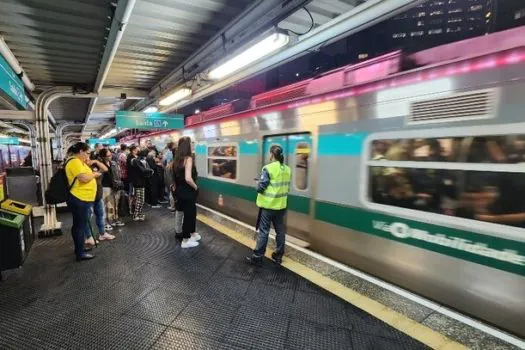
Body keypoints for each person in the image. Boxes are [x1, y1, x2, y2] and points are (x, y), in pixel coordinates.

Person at [246, 145, 291, 266]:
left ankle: (257, 257)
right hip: (281, 206)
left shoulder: (268, 168)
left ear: (271, 154)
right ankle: (278, 255)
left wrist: (258, 183)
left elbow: (261, 188)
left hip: (268, 206)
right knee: (280, 230)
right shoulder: (287, 169)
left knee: (264, 231)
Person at [65, 142, 102, 261]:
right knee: (80, 226)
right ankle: (80, 254)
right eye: (87, 153)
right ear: (80, 151)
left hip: (82, 198)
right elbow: (83, 178)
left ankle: (79, 248)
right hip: (79, 198)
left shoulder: (78, 162)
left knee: (79, 225)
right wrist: (94, 174)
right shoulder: (74, 162)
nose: (88, 155)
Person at [173, 136, 200, 248]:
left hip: (180, 190)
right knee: (189, 215)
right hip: (187, 191)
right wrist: (195, 187)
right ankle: (186, 240)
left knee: (186, 213)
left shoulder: (177, 159)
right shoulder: (188, 159)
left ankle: (190, 234)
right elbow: (188, 178)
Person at [99, 148, 125, 229]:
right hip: (105, 187)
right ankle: (107, 222)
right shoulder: (100, 164)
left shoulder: (113, 163)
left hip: (115, 186)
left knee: (115, 204)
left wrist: (119, 183)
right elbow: (99, 178)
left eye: (110, 154)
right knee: (107, 205)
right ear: (103, 156)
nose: (110, 156)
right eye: (108, 155)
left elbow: (117, 174)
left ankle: (114, 219)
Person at [128, 146, 149, 221]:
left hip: (140, 181)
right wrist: (149, 171)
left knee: (141, 199)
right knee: (139, 199)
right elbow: (143, 170)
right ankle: (136, 214)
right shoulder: (136, 160)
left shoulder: (136, 160)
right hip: (137, 182)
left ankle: (138, 213)